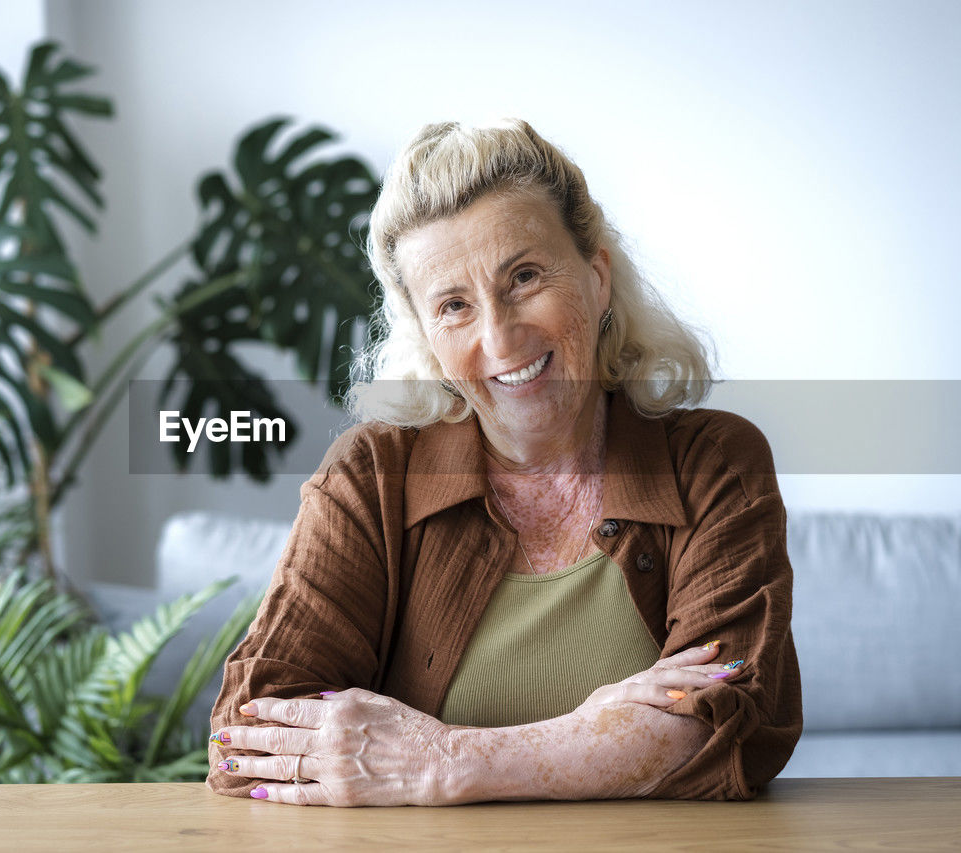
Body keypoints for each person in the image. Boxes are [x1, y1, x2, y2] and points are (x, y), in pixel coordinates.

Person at [206, 119, 802, 806]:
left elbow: (728, 727)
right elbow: (238, 745)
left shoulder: (717, 462)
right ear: (427, 337)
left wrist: (448, 760)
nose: (499, 335)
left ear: (597, 277)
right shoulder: (372, 478)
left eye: (523, 277)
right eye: (454, 305)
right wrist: (597, 736)